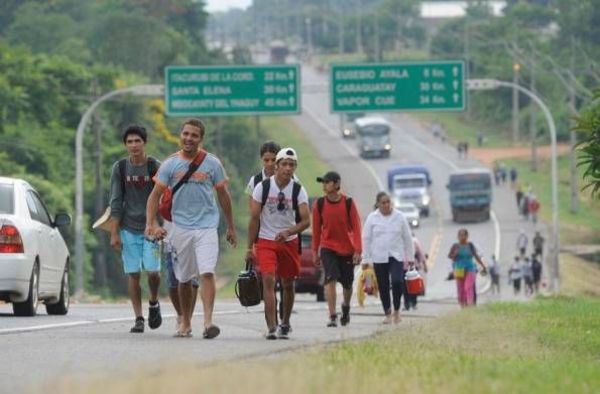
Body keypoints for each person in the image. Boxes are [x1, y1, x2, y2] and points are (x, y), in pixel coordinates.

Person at [145, 118, 237, 339]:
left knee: (206, 272)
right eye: (186, 134)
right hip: (180, 228)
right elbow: (155, 196)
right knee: (184, 279)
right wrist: (151, 223)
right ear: (181, 135)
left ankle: (208, 322)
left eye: (194, 135)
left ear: (200, 139)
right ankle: (185, 321)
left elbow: (223, 195)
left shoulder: (212, 163)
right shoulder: (170, 164)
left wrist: (230, 226)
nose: (189, 138)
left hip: (207, 226)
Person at [246, 147, 310, 340]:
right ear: (277, 166)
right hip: (266, 240)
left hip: (289, 241)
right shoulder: (262, 188)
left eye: (292, 165)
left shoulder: (298, 190)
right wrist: (250, 247)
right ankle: (271, 325)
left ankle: (285, 322)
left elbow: (306, 221)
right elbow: (254, 219)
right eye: (284, 164)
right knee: (268, 280)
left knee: (288, 283)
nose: (288, 168)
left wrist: (289, 231)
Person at [109, 125, 162, 334]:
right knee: (132, 273)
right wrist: (114, 232)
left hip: (151, 228)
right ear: (125, 145)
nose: (133, 145)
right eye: (129, 142)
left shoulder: (154, 166)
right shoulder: (120, 168)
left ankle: (153, 302)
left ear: (144, 142)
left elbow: (163, 198)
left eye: (137, 141)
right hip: (128, 228)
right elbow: (115, 201)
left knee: (153, 272)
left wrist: (158, 224)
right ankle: (139, 317)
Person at [312, 171, 362, 327]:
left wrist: (358, 251)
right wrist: (315, 252)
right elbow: (316, 230)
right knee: (330, 278)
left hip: (347, 249)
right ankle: (332, 315)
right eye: (323, 182)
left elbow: (356, 227)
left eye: (327, 182)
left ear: (336, 184)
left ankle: (345, 307)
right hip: (328, 247)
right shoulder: (319, 204)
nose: (324, 185)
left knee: (347, 284)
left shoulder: (348, 203)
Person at [362, 192, 415, 324]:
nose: (386, 205)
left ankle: (397, 310)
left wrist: (411, 257)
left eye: (388, 202)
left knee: (397, 281)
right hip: (379, 257)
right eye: (383, 203)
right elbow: (366, 239)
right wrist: (366, 259)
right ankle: (387, 312)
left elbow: (407, 238)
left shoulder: (400, 216)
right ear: (378, 204)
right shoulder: (372, 218)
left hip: (396, 256)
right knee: (383, 285)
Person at [163, 220, 199, 330]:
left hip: (193, 237)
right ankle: (180, 315)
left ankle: (187, 319)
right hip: (171, 238)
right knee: (173, 283)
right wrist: (153, 225)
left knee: (192, 281)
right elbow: (154, 207)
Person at [447, 229, 487, 308]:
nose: (462, 237)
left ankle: (470, 304)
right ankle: (463, 305)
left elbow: (476, 256)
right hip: (459, 269)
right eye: (460, 235)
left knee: (468, 287)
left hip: (470, 269)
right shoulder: (455, 246)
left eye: (464, 235)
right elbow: (450, 256)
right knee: (461, 289)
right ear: (458, 237)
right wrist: (455, 254)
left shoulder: (470, 245)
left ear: (467, 236)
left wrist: (483, 266)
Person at [405, 234, 428, 310]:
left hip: (413, 266)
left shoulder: (414, 241)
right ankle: (406, 303)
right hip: (402, 266)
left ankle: (414, 302)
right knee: (404, 286)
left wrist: (424, 264)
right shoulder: (398, 240)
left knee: (413, 285)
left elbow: (420, 253)